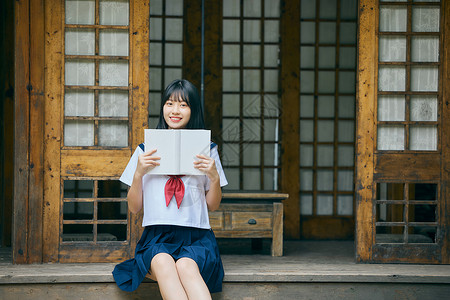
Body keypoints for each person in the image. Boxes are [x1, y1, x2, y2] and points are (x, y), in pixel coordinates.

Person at [112, 79, 228, 299]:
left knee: (185, 266)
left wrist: (213, 178)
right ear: (162, 107)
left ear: (193, 110)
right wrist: (138, 174)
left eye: (183, 105)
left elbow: (212, 205)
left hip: (197, 238)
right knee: (163, 261)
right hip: (157, 237)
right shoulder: (144, 151)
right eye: (169, 103)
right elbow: (134, 208)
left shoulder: (208, 150)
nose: (175, 110)